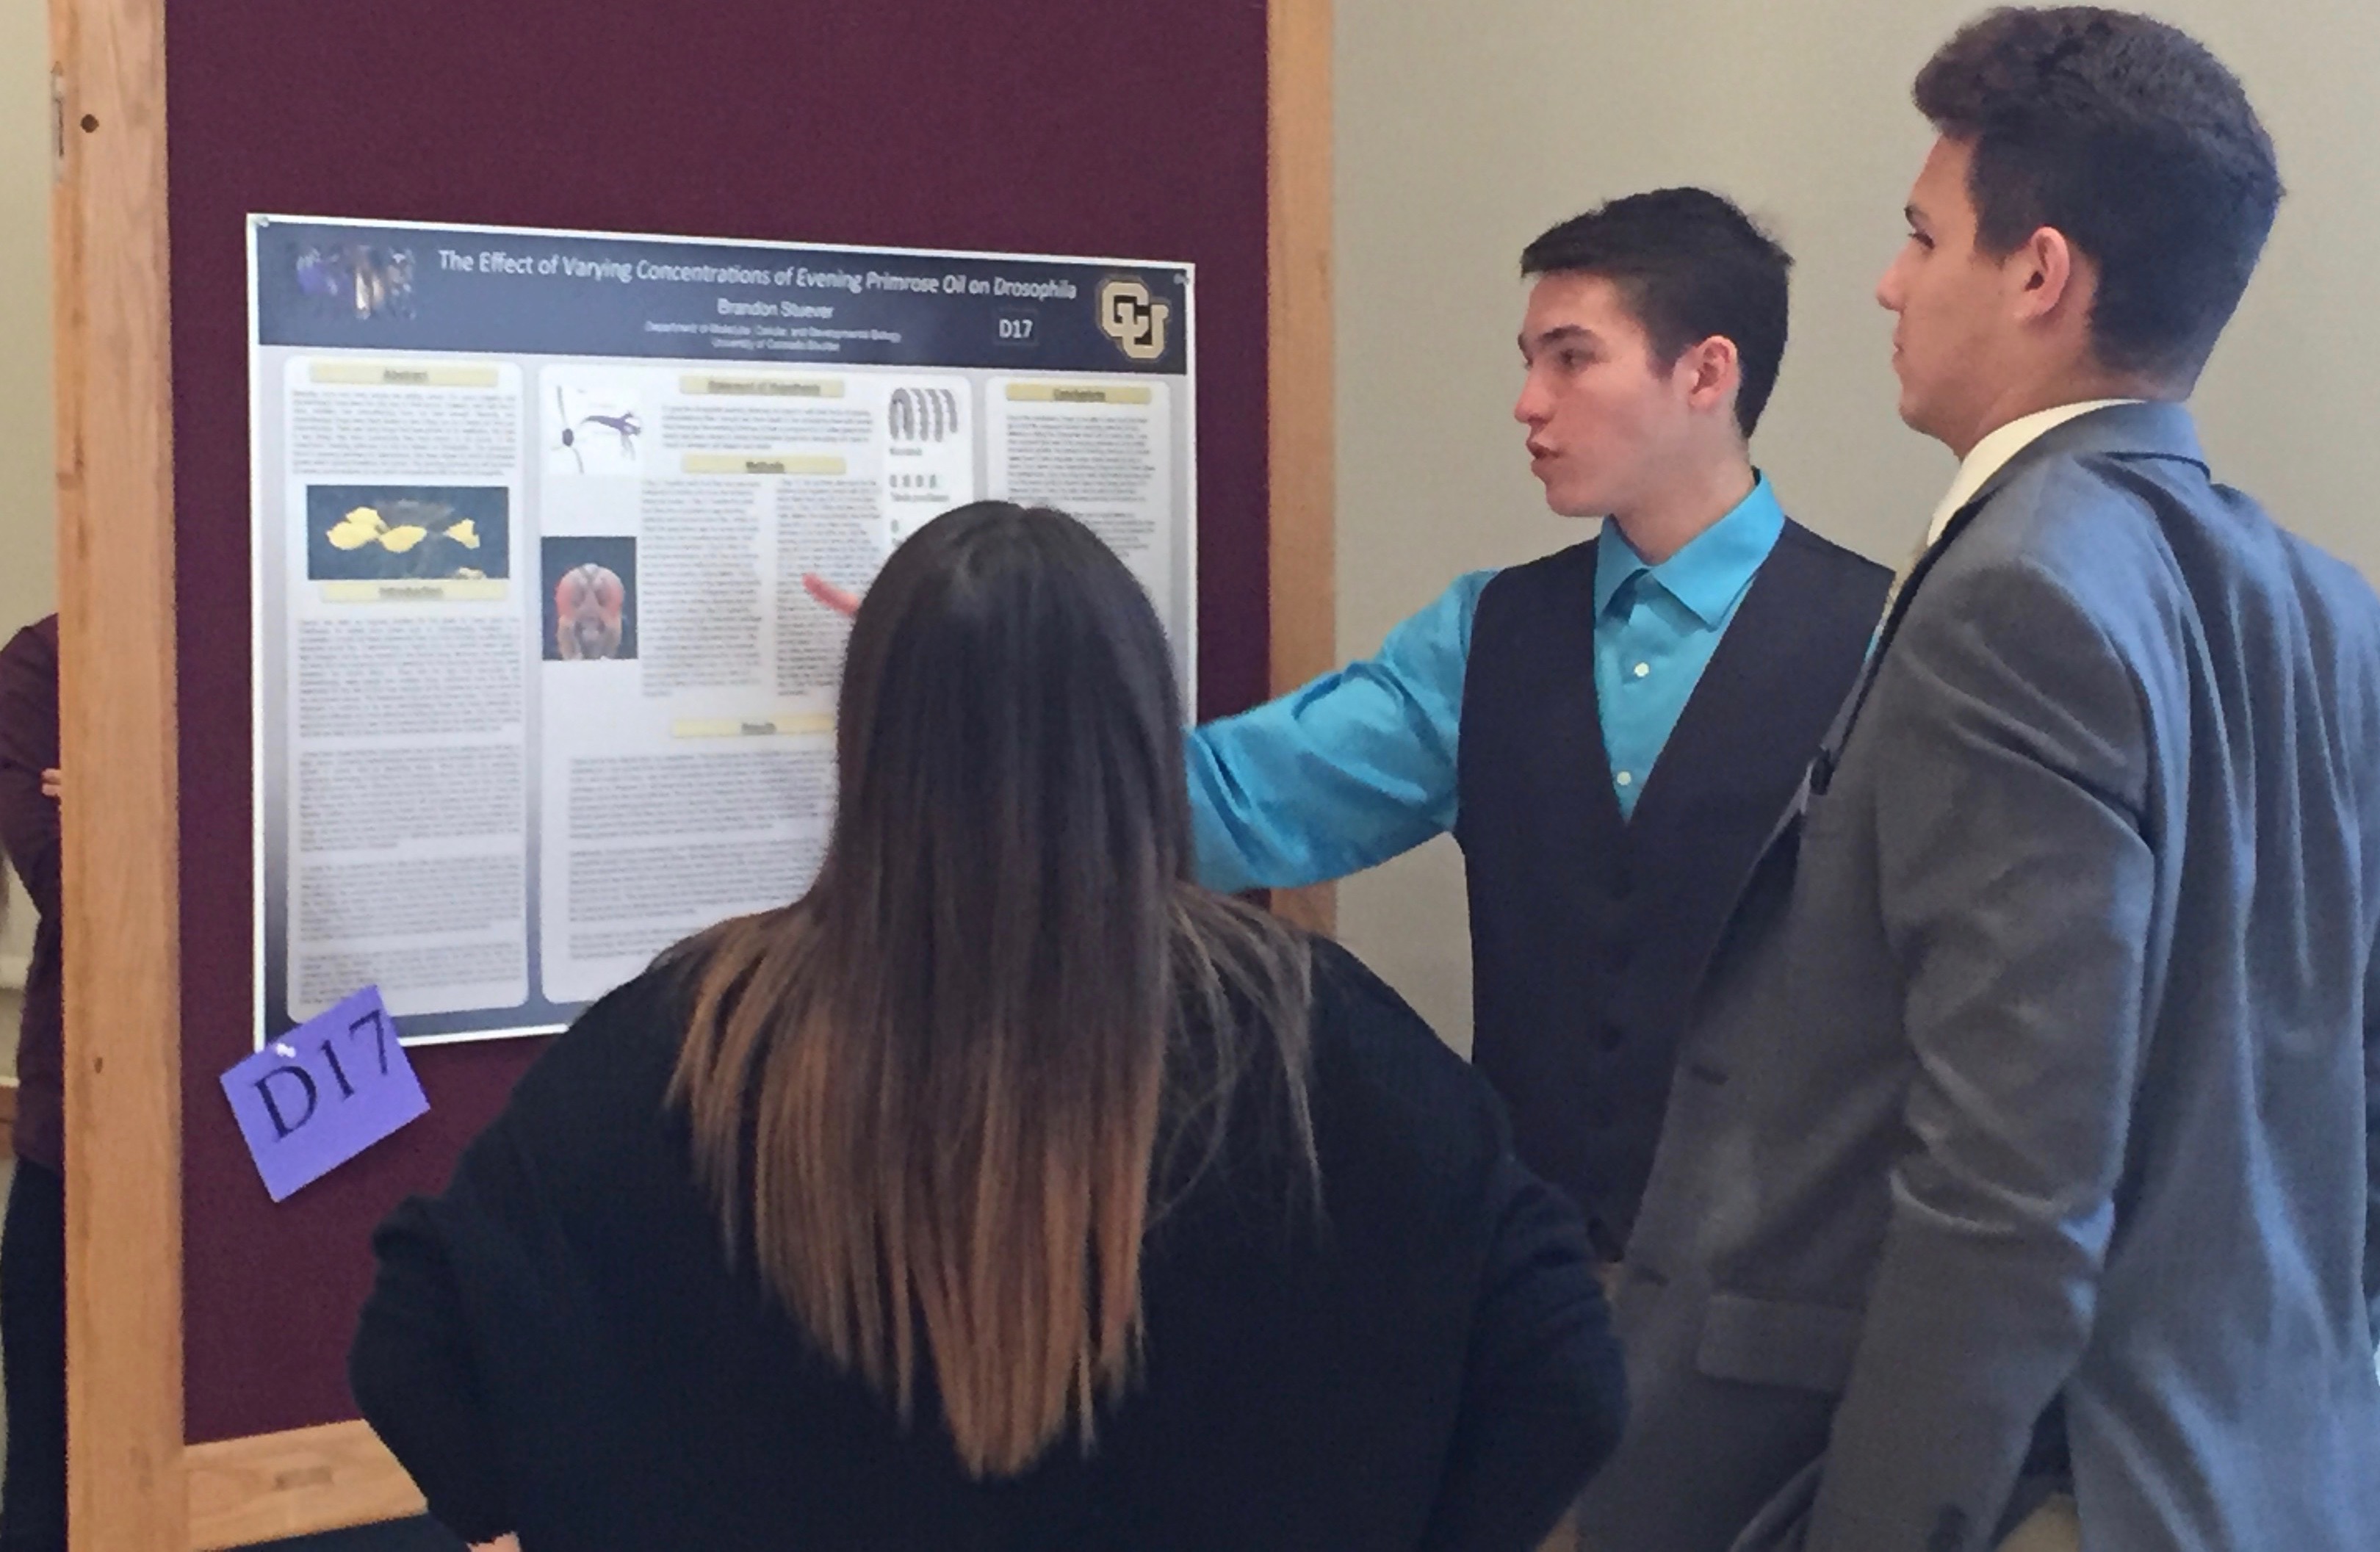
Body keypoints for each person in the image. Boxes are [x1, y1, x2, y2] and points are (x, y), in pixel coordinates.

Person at [353, 502, 1625, 1552]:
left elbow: (417, 1347)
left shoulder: (689, 1045)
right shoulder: (1316, 1043)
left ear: (868, 738)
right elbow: (1563, 1377)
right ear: (1142, 733)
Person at [1586, 10, 2380, 1551]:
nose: (1889, 282)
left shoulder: (2016, 593)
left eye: (1921, 233)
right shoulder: (2331, 609)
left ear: (2040, 274)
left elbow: (2008, 1190)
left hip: (2052, 1493)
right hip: (2281, 1482)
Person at [1185, 190, 1890, 1257]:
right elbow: (1240, 801)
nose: (1527, 403)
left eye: (1571, 359)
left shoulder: (1887, 640)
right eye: (1530, 361)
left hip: (1785, 1284)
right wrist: (994, 735)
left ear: (1706, 373)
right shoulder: (1486, 634)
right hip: (1529, 1271)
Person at [0, 613, 62, 1552]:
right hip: (85, 1131)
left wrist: (138, 793)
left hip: (316, 1102)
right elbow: (71, 874)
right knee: (58, 1471)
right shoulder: (47, 662)